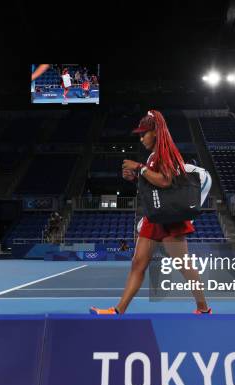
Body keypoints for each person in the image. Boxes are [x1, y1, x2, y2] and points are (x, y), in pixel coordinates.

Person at [90, 110, 211, 315]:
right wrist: (136, 175)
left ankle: (203, 308)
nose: (141, 137)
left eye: (143, 133)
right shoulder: (155, 155)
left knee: (183, 265)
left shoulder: (168, 152)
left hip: (170, 218)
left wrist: (139, 167)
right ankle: (118, 310)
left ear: (155, 132)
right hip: (154, 217)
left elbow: (165, 181)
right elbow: (152, 182)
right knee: (137, 264)